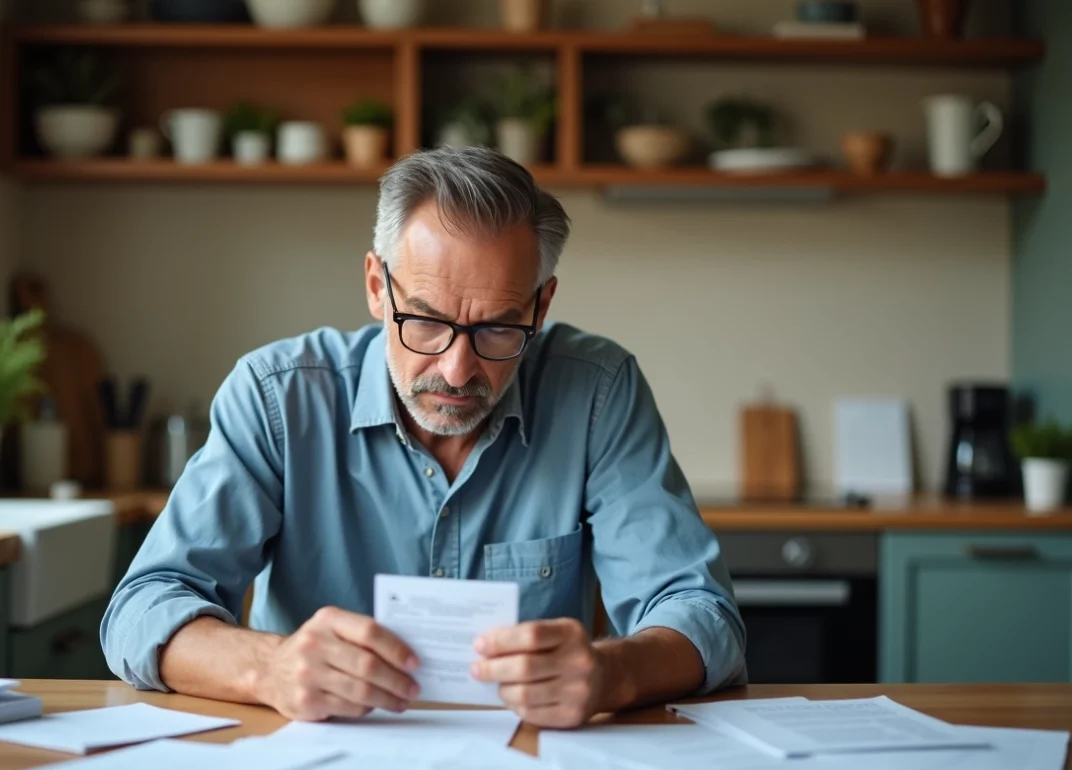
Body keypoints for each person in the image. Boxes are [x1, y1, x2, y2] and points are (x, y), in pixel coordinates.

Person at [101, 146, 746, 729]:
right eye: (427, 322)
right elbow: (143, 609)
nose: (457, 370)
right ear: (378, 288)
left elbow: (700, 615)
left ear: (541, 308)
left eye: (498, 329)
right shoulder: (277, 396)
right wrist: (267, 667)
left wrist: (613, 672)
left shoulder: (598, 392)